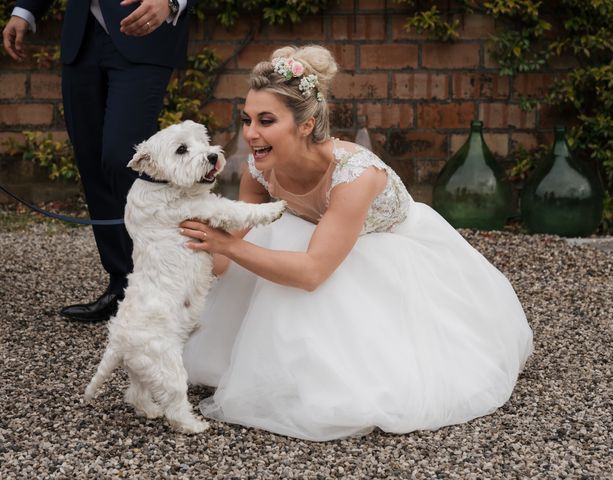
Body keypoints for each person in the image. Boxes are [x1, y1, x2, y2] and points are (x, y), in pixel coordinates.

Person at [180, 45, 534, 441]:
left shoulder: (354, 174)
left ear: (305, 124)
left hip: (390, 251)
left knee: (311, 270)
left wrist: (226, 245)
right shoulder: (258, 171)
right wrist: (199, 243)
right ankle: (275, 366)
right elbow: (230, 255)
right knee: (273, 234)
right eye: (247, 119)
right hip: (319, 239)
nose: (250, 134)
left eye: (266, 120)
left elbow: (313, 272)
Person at [2, 0, 195, 322]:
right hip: (83, 38)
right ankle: (122, 286)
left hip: (144, 27)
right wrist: (26, 10)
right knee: (92, 163)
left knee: (125, 157)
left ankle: (164, 280)